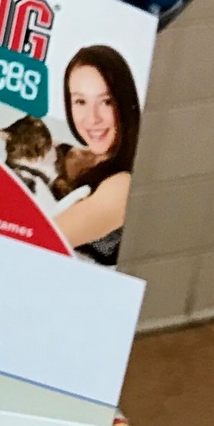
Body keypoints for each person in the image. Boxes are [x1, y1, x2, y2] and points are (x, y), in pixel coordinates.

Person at [55, 45, 142, 264]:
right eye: (80, 102)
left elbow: (40, 238)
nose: (92, 118)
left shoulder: (121, 185)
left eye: (106, 101)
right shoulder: (85, 162)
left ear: (124, 102)